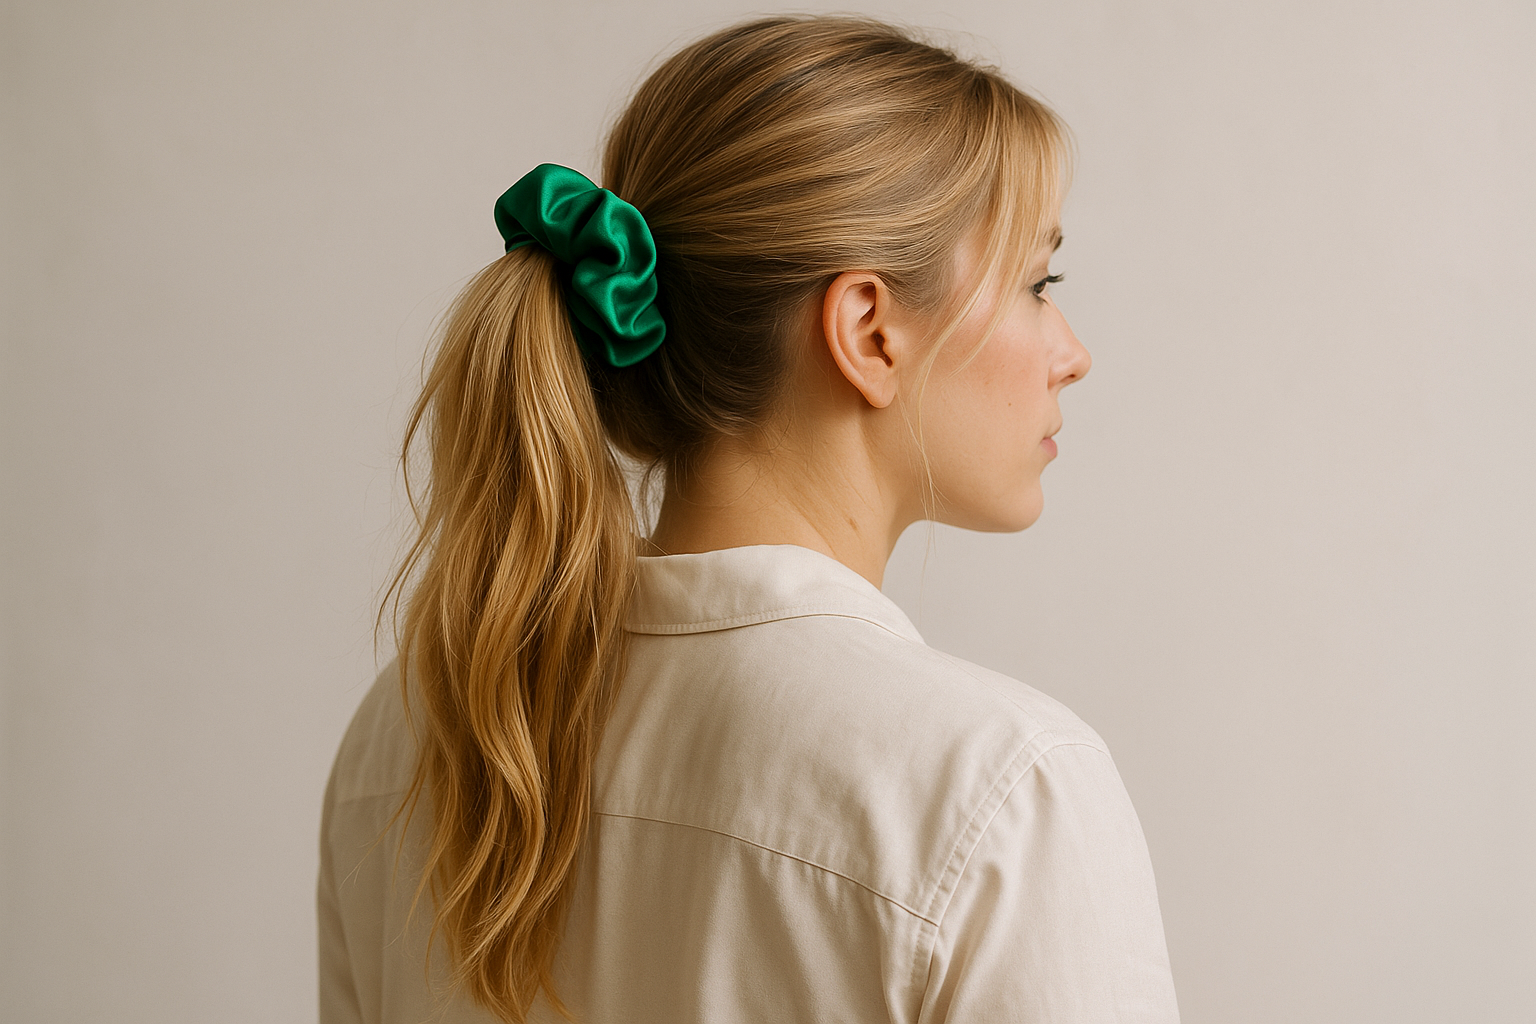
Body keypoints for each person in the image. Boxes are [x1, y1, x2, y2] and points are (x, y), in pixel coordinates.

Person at [318, 14, 1179, 1024]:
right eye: (1039, 283)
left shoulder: (413, 730)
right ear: (869, 330)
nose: (1071, 350)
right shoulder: (1004, 790)